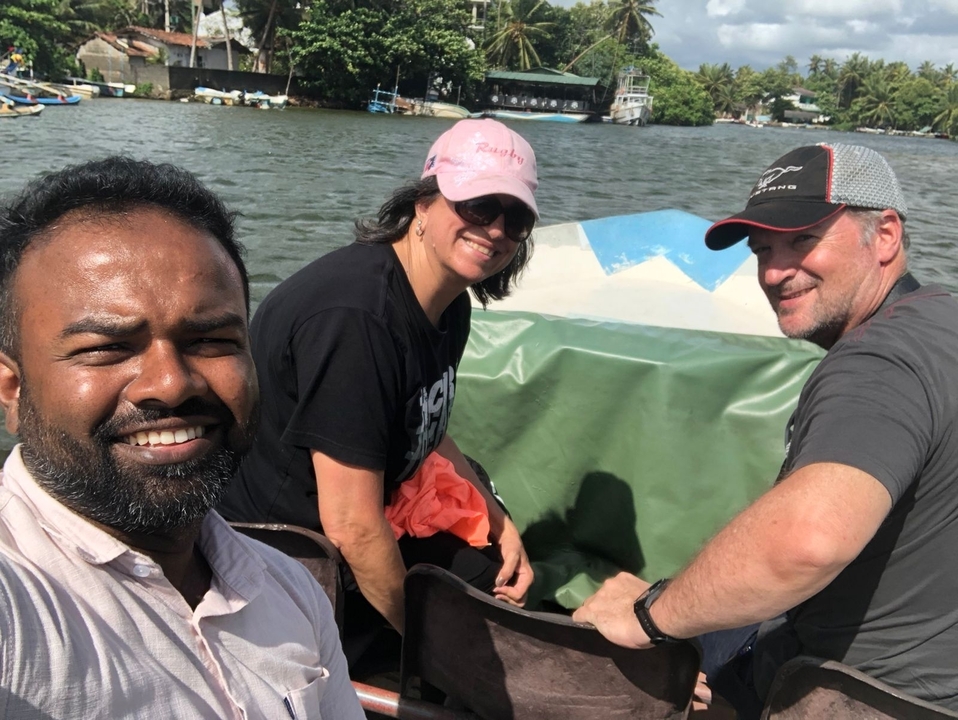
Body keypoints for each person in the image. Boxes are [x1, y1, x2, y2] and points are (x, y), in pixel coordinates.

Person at [573, 143, 958, 716]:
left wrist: (649, 616)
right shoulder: (940, 320)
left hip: (855, 694)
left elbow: (806, 542)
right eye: (762, 250)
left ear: (884, 235)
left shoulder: (877, 362)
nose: (775, 272)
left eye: (803, 240)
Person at [0, 157, 364, 719]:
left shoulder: (292, 591)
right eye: (105, 347)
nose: (170, 384)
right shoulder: (19, 603)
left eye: (213, 340)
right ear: (11, 388)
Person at [220, 118, 537, 654]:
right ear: (423, 203)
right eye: (478, 207)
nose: (497, 230)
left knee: (500, 580)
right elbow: (351, 527)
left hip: (368, 516)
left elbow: (426, 427)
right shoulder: (355, 319)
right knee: (481, 648)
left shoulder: (449, 303)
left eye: (516, 218)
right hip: (288, 556)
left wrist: (500, 521)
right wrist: (437, 653)